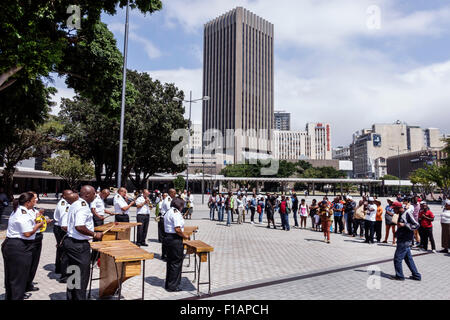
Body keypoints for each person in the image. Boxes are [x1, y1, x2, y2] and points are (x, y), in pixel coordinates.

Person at [1, 192, 45, 300]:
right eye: (33, 201)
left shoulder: (21, 210)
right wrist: (38, 225)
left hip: (15, 246)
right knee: (18, 279)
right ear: (27, 202)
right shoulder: (22, 213)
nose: (35, 202)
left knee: (13, 277)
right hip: (18, 247)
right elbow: (27, 233)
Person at [63, 185, 103, 300]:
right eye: (94, 193)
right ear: (87, 194)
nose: (95, 195)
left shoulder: (75, 203)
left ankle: (71, 297)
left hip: (71, 242)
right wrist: (95, 234)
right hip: (79, 246)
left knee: (73, 273)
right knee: (81, 276)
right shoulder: (83, 207)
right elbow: (79, 226)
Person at [27, 191, 53, 293]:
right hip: (31, 238)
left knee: (34, 262)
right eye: (35, 198)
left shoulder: (34, 210)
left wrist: (43, 220)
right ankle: (25, 283)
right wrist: (39, 220)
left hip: (38, 236)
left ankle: (29, 282)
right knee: (28, 263)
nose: (37, 199)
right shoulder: (27, 211)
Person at [390, 201, 421, 281]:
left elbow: (416, 225)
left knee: (397, 258)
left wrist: (405, 225)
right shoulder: (400, 214)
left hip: (405, 240)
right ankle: (416, 276)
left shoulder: (407, 213)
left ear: (398, 208)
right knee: (408, 259)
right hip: (402, 239)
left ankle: (400, 276)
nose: (393, 210)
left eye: (393, 209)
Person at [163, 197, 190, 292]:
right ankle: (173, 286)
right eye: (182, 205)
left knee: (170, 262)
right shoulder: (176, 213)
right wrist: (185, 236)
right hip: (175, 239)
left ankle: (168, 284)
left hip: (168, 238)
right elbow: (177, 229)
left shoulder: (168, 211)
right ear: (179, 205)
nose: (183, 207)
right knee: (176, 263)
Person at [58, 192, 80, 284]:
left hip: (72, 235)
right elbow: (64, 225)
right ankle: (65, 276)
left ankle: (69, 277)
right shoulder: (68, 208)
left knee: (69, 259)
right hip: (69, 236)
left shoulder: (73, 207)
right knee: (66, 258)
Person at [53, 190, 73, 277]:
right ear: (64, 196)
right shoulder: (63, 205)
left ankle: (59, 268)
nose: (71, 196)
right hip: (60, 228)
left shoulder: (67, 203)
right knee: (63, 249)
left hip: (61, 227)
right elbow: (63, 220)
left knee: (61, 249)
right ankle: (62, 271)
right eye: (69, 195)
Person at [159, 189, 175, 261]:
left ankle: (166, 254)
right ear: (171, 193)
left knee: (167, 237)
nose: (175, 194)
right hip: (164, 220)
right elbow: (170, 210)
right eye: (174, 193)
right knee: (166, 238)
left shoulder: (170, 199)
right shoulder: (168, 200)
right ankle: (164, 255)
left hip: (166, 220)